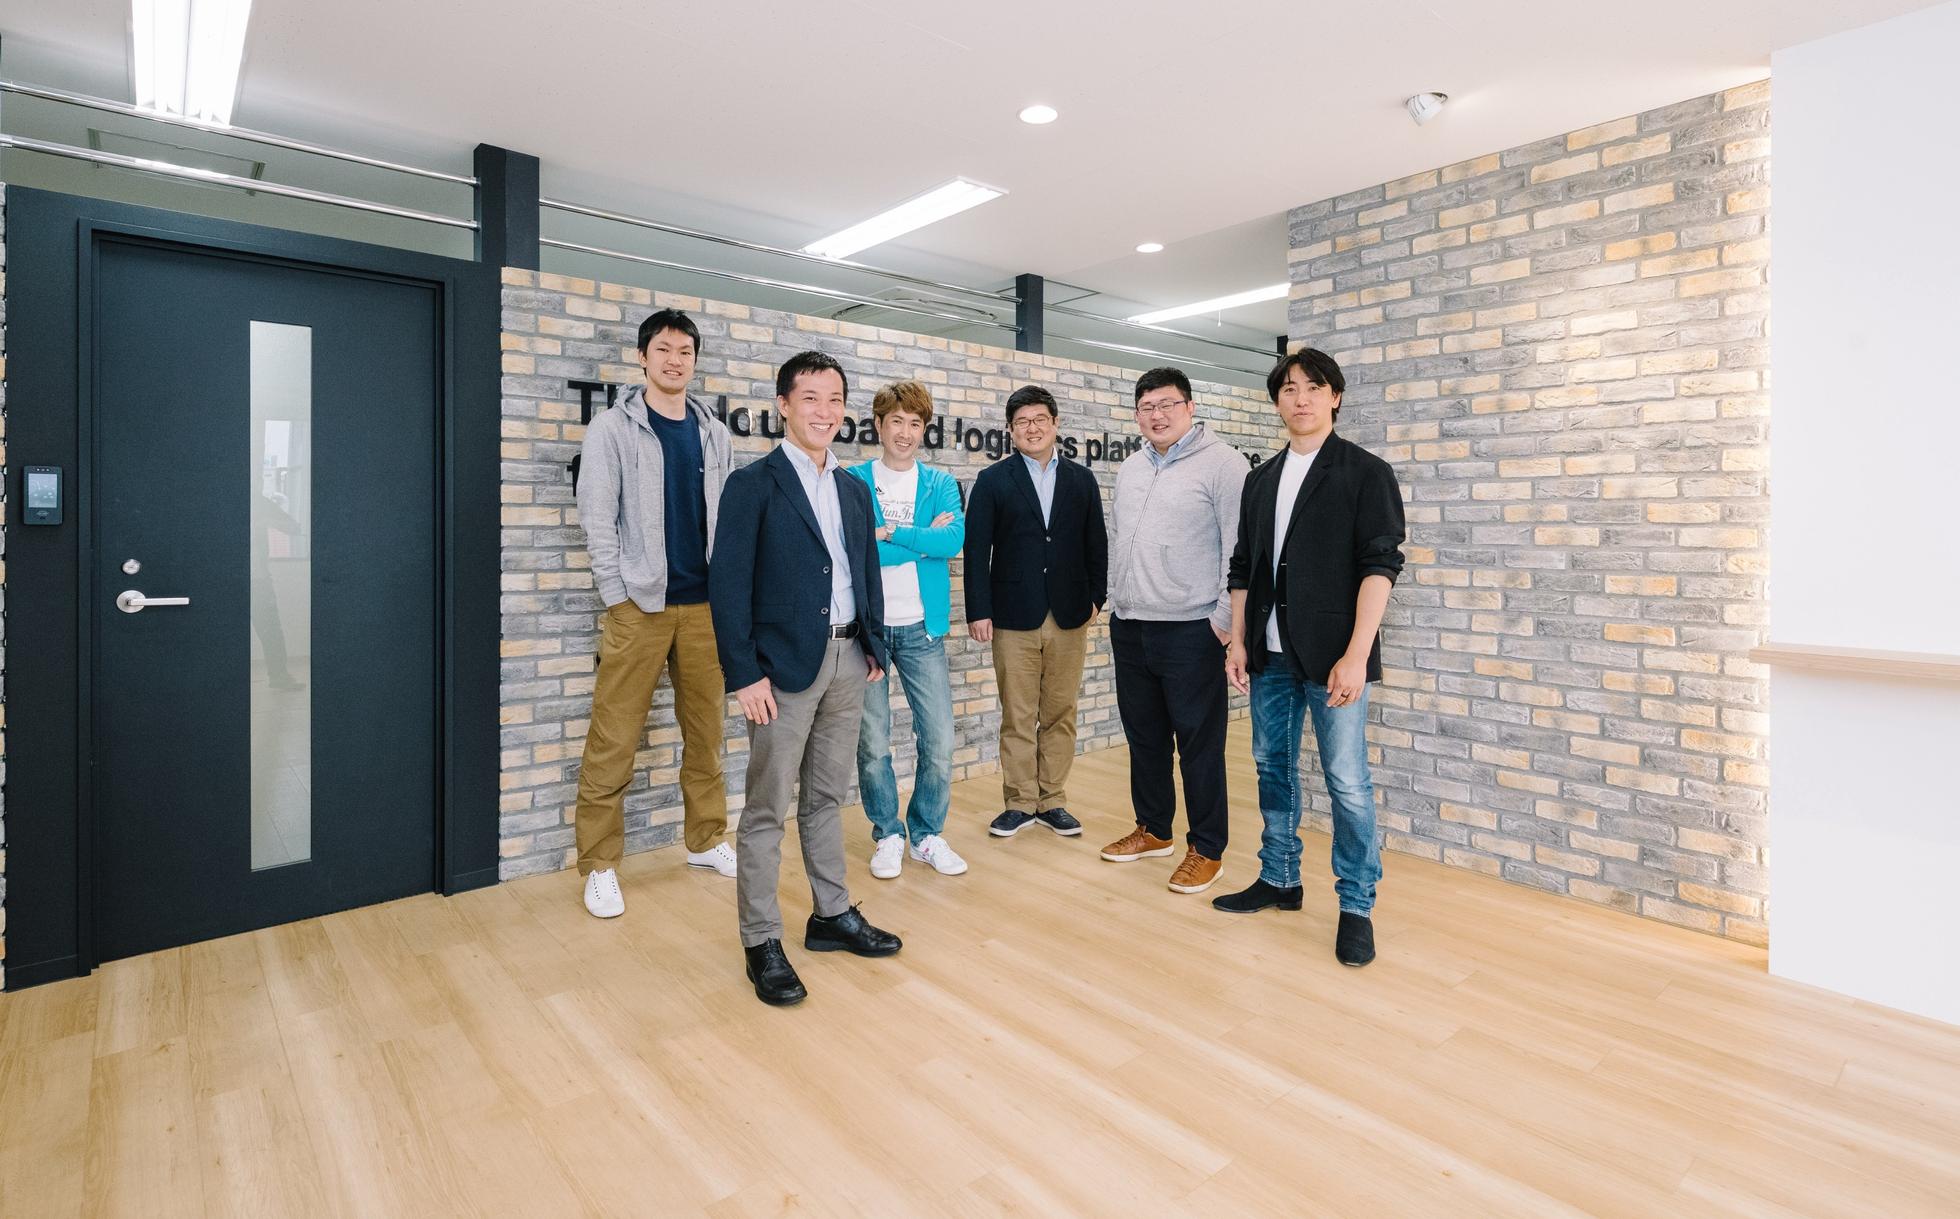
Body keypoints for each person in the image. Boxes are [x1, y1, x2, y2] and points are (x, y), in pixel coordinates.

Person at [710, 350, 903, 1006]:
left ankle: (831, 913)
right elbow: (728, 586)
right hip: (781, 670)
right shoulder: (753, 484)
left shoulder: (852, 488)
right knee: (768, 806)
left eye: (835, 399)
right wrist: (744, 674)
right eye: (811, 398)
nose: (825, 411)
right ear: (784, 405)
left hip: (849, 661)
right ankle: (761, 939)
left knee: (826, 797)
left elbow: (865, 572)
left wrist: (873, 646)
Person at [1215, 349, 1404, 967]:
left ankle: (1357, 905)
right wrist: (1239, 639)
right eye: (1289, 389)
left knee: (1346, 780)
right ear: (1277, 401)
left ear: (1335, 397)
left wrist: (1357, 655)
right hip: (1269, 656)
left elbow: (1380, 567)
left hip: (1333, 659)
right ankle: (1279, 878)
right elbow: (1244, 568)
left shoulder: (1365, 472)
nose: (1300, 399)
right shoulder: (1261, 478)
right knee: (1272, 767)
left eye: (1313, 388)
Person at [571, 309, 735, 920]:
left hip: (705, 610)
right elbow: (596, 517)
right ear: (642, 357)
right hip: (638, 609)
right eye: (663, 349)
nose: (675, 360)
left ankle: (706, 840)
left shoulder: (713, 433)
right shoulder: (612, 429)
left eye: (685, 351)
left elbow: (728, 519)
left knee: (707, 735)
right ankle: (600, 865)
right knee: (614, 738)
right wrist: (617, 593)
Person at [1101, 367, 1249, 895]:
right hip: (1131, 624)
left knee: (1199, 746)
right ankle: (1154, 829)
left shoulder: (1224, 464)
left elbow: (1240, 548)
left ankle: (1207, 848)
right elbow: (1117, 537)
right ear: (1137, 415)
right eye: (1147, 407)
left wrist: (1223, 623)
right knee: (1144, 739)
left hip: (1192, 629)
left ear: (1190, 407)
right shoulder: (1132, 467)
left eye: (1167, 404)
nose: (1157, 415)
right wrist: (1114, 598)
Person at [963, 385, 1108, 840]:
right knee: (1018, 713)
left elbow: (1097, 542)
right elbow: (976, 551)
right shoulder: (993, 480)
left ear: (1055, 423)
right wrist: (978, 610)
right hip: (1012, 615)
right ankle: (1020, 802)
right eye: (1022, 421)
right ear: (1010, 429)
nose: (1032, 427)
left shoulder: (1081, 480)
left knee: (1061, 711)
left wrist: (1097, 597)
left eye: (1040, 419)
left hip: (1069, 614)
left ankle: (1052, 800)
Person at [847, 381, 968, 880]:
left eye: (915, 423)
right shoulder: (853, 480)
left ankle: (926, 833)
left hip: (923, 628)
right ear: (878, 425)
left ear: (924, 430)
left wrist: (891, 532)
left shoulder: (939, 482)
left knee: (939, 740)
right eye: (896, 421)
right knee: (873, 743)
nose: (905, 432)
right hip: (868, 632)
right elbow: (856, 549)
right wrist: (922, 541)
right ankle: (888, 834)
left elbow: (953, 541)